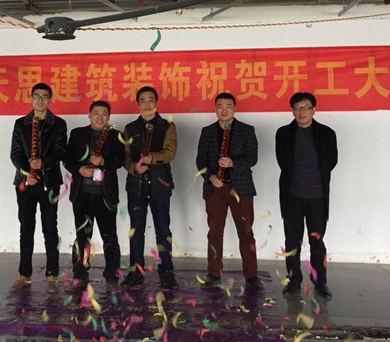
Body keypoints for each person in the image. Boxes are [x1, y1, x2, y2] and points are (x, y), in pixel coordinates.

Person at [195, 92, 264, 293]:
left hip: (240, 188)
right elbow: (200, 160)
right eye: (220, 106)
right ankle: (213, 273)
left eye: (228, 106)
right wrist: (210, 177)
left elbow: (252, 158)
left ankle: (251, 276)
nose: (224, 110)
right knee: (214, 232)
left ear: (234, 108)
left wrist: (233, 163)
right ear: (215, 109)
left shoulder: (246, 130)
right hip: (215, 188)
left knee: (246, 232)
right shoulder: (207, 131)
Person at [275, 92, 337, 298]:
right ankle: (293, 280)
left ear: (314, 110)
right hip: (292, 196)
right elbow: (282, 162)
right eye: (297, 108)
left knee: (316, 242)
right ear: (292, 111)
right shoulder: (283, 133)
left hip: (317, 197)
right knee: (292, 241)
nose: (301, 112)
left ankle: (320, 281)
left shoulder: (327, 133)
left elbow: (331, 161)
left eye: (306, 108)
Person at [10, 82, 67, 293]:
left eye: (44, 96)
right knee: (26, 227)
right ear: (31, 98)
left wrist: (43, 164)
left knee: (50, 227)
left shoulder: (58, 124)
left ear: (50, 99)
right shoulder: (20, 124)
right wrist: (28, 174)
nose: (40, 100)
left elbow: (61, 150)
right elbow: (15, 153)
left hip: (49, 182)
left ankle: (52, 274)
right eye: (37, 96)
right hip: (26, 183)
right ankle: (24, 274)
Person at [121, 86, 179, 289]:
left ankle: (167, 272)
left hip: (159, 185)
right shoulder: (130, 128)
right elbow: (126, 158)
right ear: (138, 103)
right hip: (135, 186)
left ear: (156, 102)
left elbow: (170, 152)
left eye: (150, 99)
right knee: (136, 230)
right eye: (143, 100)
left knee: (163, 229)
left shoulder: (167, 126)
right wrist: (134, 168)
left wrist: (151, 158)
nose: (147, 104)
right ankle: (136, 272)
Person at [64, 100, 124, 293]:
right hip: (81, 195)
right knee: (82, 237)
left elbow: (121, 160)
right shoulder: (77, 134)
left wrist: (104, 161)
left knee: (110, 238)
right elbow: (67, 159)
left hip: (105, 195)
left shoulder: (116, 136)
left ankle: (112, 277)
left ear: (109, 117)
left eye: (104, 113)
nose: (100, 117)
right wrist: (79, 169)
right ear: (89, 115)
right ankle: (80, 275)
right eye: (96, 113)